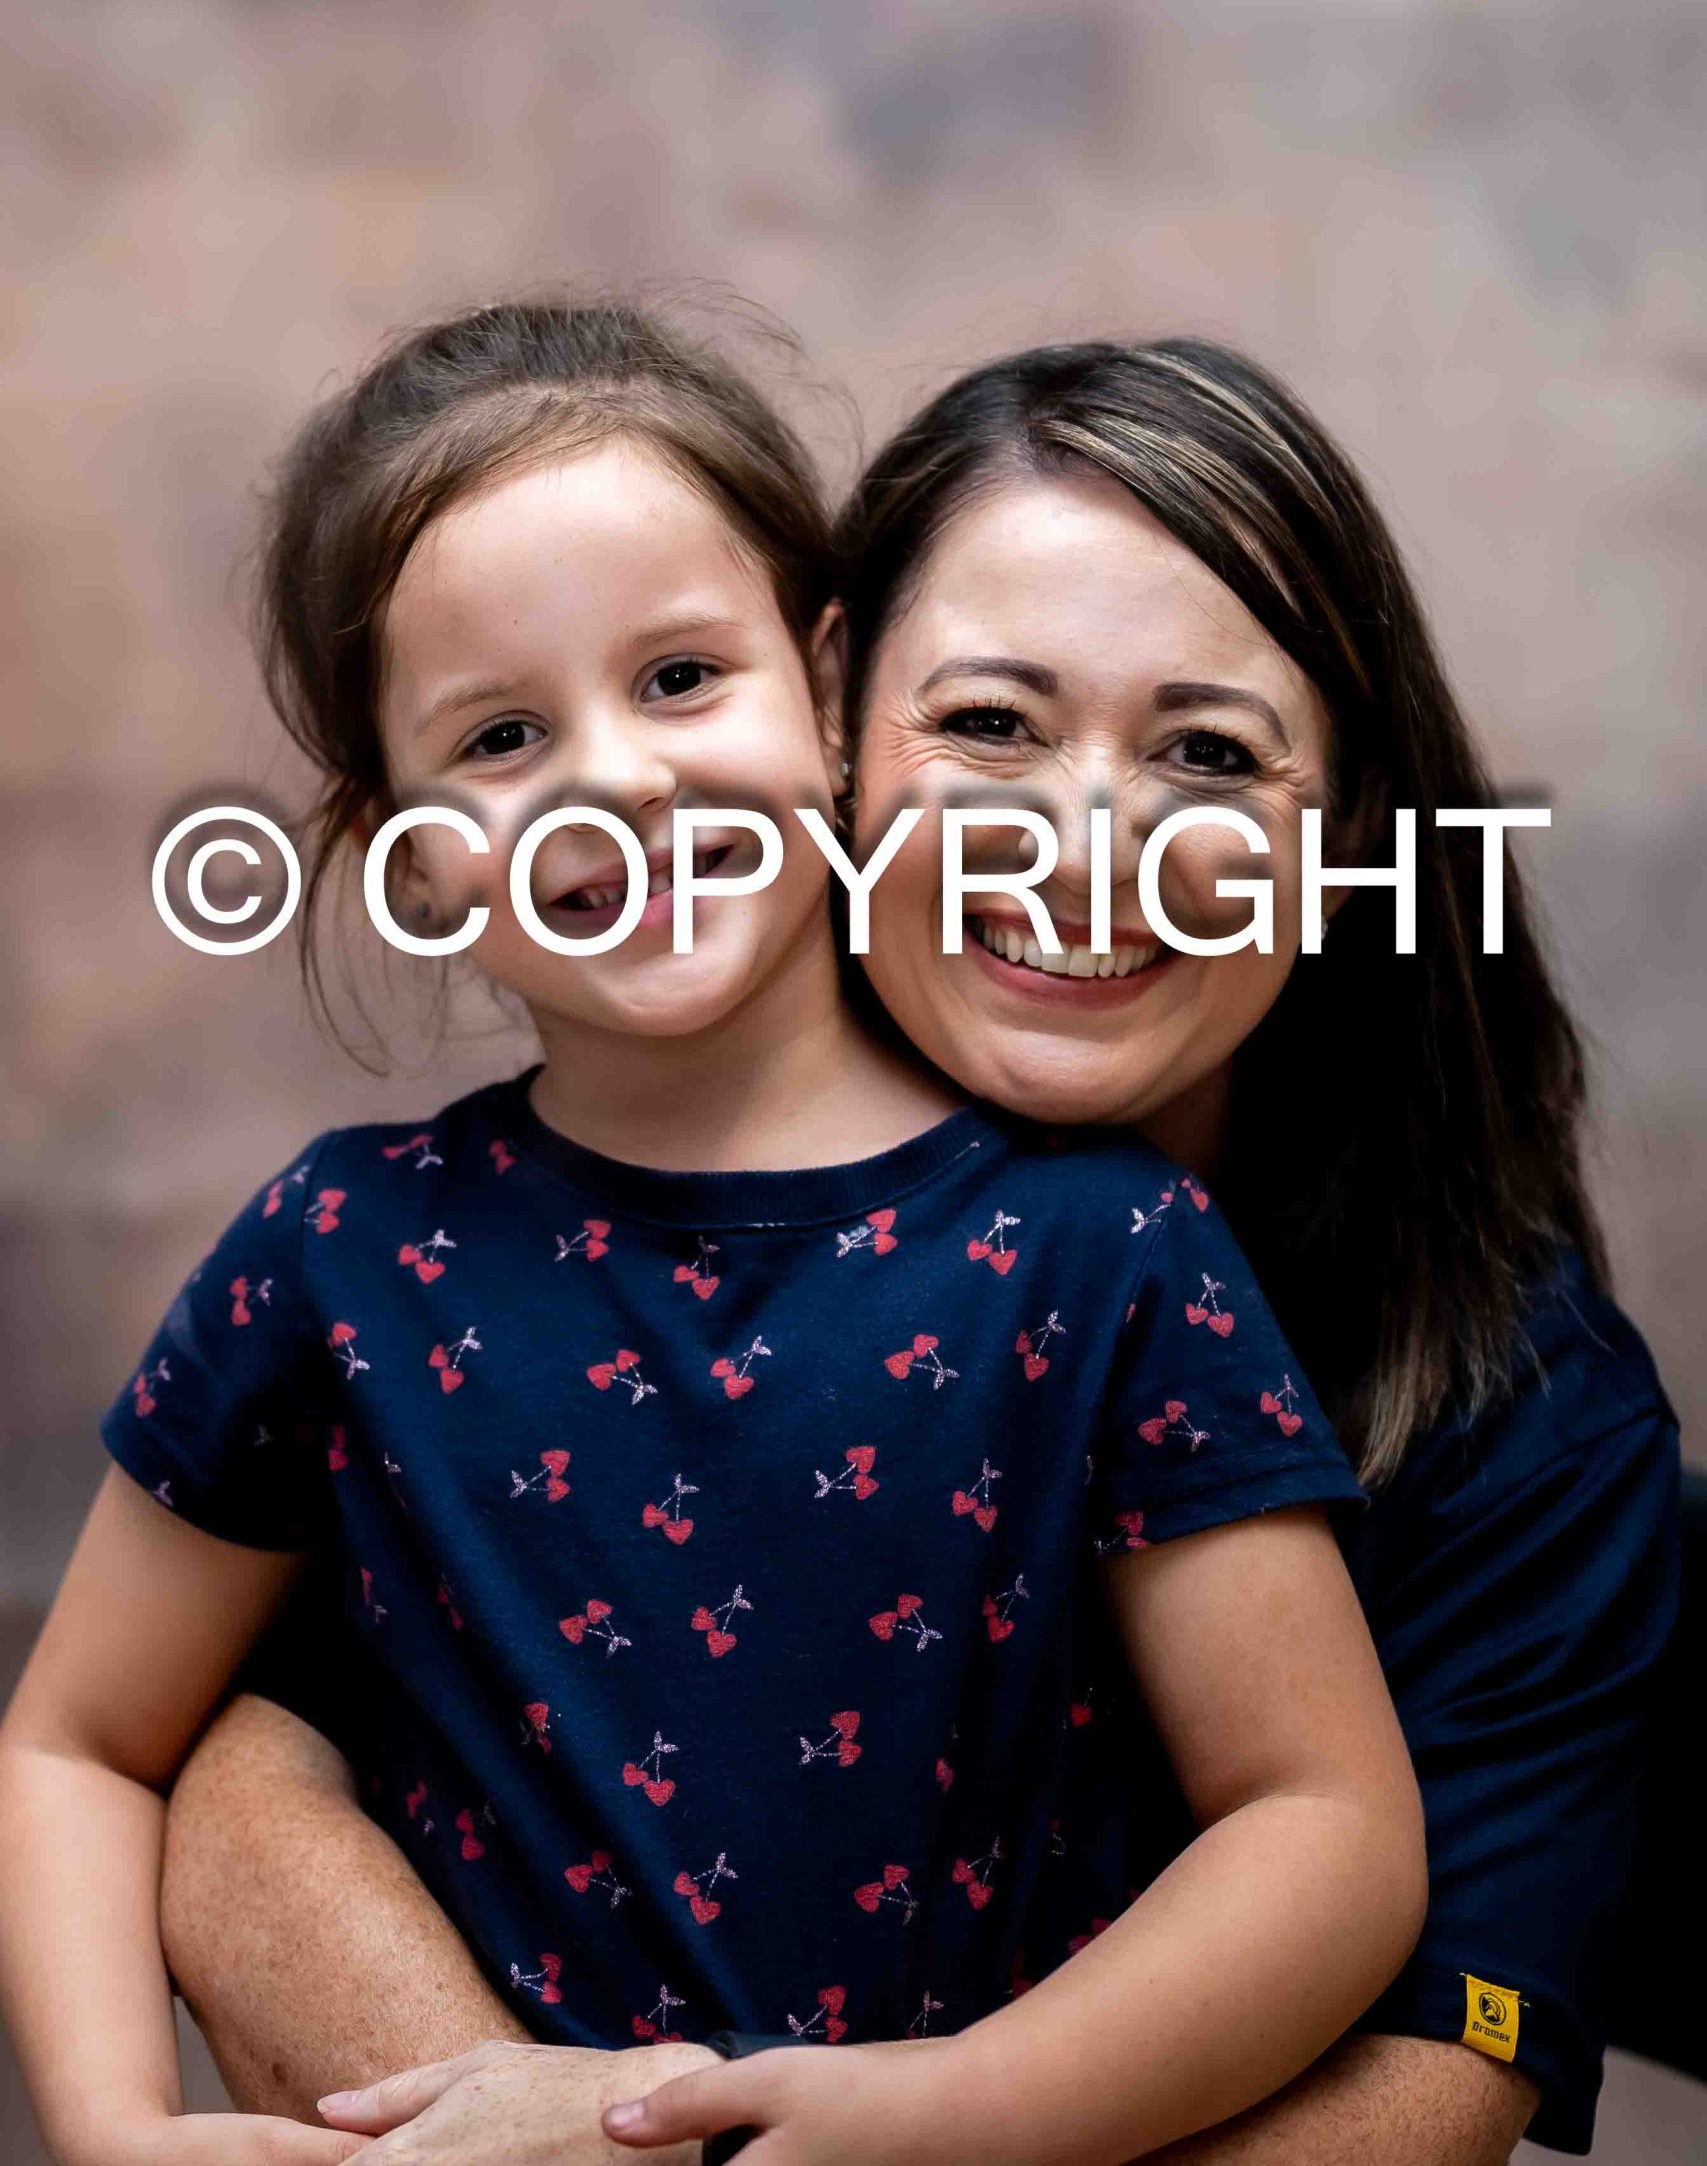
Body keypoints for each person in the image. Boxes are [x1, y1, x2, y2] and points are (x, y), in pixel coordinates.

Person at [152, 334, 1677, 2166]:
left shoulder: (1529, 1414)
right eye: (991, 724)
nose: (1084, 843)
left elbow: (1432, 2079)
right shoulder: (545, 1228)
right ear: (831, 730)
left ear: (1347, 835)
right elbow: (230, 1765)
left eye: (1208, 753)